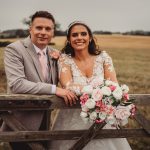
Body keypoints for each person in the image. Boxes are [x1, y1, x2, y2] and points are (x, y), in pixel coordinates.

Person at [49, 21, 132, 149]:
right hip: (72, 118)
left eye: (83, 34)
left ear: (90, 37)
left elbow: (113, 86)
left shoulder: (104, 58)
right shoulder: (64, 59)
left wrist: (99, 91)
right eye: (74, 35)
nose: (79, 38)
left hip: (102, 118)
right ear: (69, 40)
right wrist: (100, 89)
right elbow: (68, 86)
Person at [1, 11, 77, 150]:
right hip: (20, 122)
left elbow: (68, 81)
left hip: (46, 121)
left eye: (48, 29)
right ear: (30, 29)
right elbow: (18, 84)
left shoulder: (54, 54)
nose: (43, 32)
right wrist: (56, 89)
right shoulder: (14, 49)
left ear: (53, 32)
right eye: (39, 28)